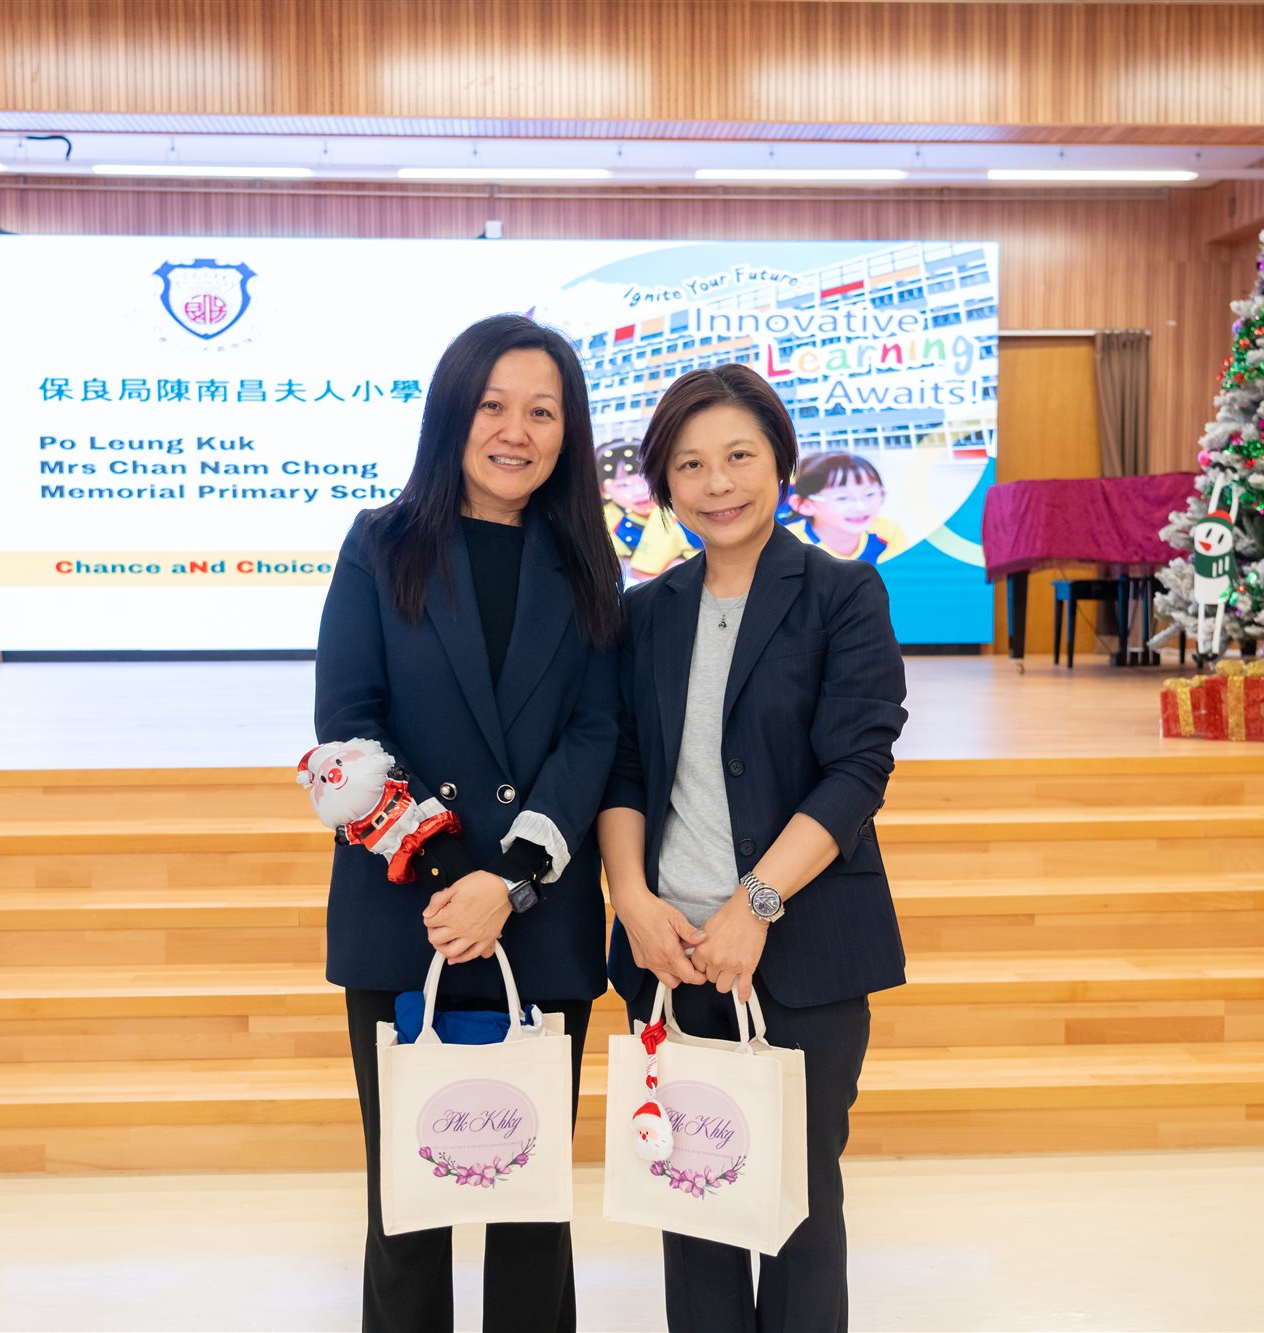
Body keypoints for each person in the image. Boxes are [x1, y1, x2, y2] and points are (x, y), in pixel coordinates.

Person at [315, 313, 623, 1332]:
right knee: (409, 1207)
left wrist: (512, 882)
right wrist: (458, 880)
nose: (515, 431)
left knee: (530, 1205)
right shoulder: (379, 545)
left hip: (539, 916)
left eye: (542, 412)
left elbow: (594, 733)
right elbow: (348, 728)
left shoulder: (588, 560)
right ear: (452, 412)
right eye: (493, 405)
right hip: (408, 915)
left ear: (568, 433)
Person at [595, 364, 909, 1332]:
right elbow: (625, 771)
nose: (717, 482)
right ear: (664, 481)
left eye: (737, 455)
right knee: (691, 1209)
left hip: (801, 954)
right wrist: (632, 902)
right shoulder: (645, 611)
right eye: (689, 464)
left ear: (779, 464)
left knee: (794, 1210)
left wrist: (754, 904)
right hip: (669, 956)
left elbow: (856, 769)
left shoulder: (841, 593)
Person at [598, 438, 705, 581]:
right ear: (603, 490)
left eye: (648, 479)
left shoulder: (677, 508)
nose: (640, 491)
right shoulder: (604, 520)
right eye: (623, 485)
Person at [786, 451, 906, 563]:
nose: (861, 507)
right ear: (804, 505)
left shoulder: (888, 532)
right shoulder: (787, 544)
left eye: (870, 494)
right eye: (842, 498)